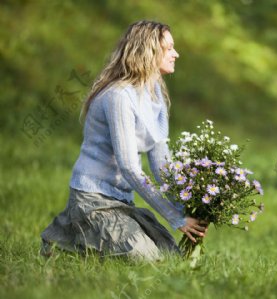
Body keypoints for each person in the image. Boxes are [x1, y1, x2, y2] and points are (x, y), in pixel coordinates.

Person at [40, 20, 207, 261]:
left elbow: (161, 165)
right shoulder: (119, 96)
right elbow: (129, 167)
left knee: (170, 256)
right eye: (168, 48)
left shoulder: (155, 94)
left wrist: (189, 209)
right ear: (148, 50)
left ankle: (80, 237)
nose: (176, 54)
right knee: (146, 259)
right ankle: (66, 238)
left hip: (122, 202)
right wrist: (175, 218)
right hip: (93, 200)